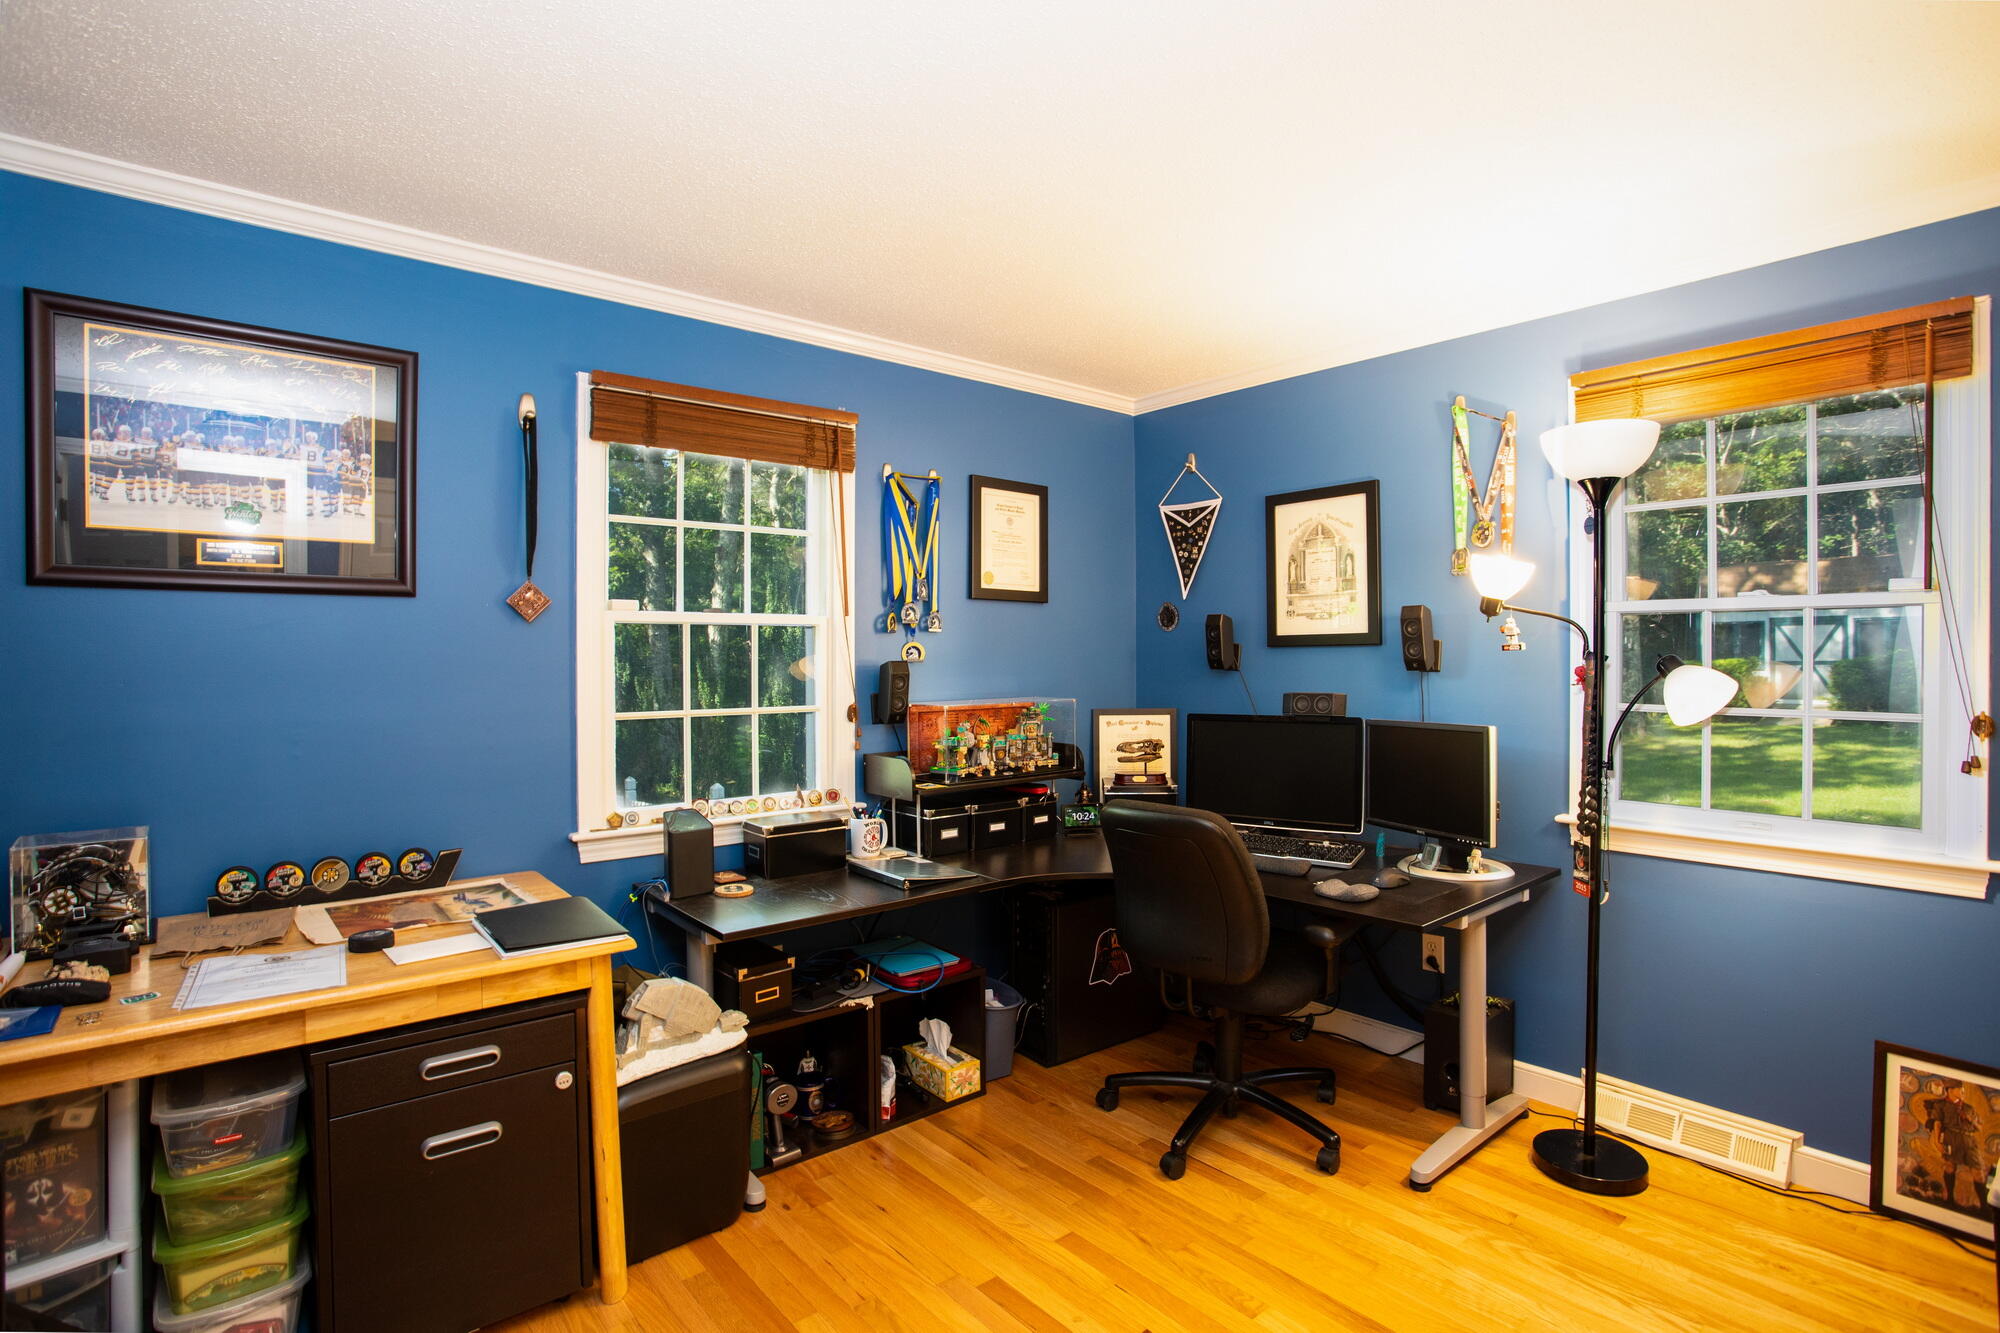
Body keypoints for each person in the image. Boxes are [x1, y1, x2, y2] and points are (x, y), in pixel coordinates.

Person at [1921, 1081, 1987, 1210]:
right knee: (1950, 1167)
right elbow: (1937, 1124)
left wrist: (1970, 1119)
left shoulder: (1968, 1108)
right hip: (1951, 1138)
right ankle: (1950, 1198)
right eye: (1960, 1089)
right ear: (1950, 1090)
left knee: (1978, 1172)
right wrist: (1937, 1142)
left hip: (1969, 1140)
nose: (1963, 1092)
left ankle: (1984, 1206)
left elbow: (1979, 1128)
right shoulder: (1941, 1106)